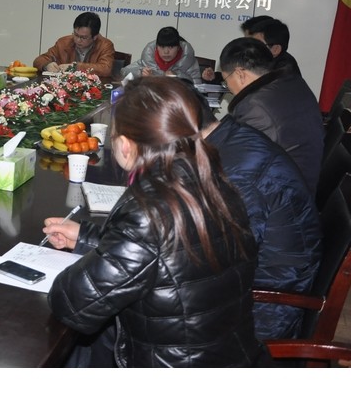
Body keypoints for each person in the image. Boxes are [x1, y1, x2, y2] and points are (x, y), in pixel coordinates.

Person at [43, 77, 264, 367]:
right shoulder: (214, 183)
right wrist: (86, 236)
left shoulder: (150, 210)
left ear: (125, 146)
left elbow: (73, 304)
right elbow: (172, 257)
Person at [198, 96, 322, 340]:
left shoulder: (237, 174)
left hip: (266, 305)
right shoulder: (232, 137)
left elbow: (225, 261)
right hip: (266, 278)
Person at [219, 37, 323, 196]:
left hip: (285, 198)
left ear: (240, 74)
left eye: (226, 81)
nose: (229, 88)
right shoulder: (292, 81)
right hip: (303, 183)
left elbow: (239, 164)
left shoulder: (255, 107)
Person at [32, 12, 115, 79]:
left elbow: (105, 69)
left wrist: (75, 67)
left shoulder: (105, 45)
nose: (78, 40)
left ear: (95, 37)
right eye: (76, 34)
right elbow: (39, 60)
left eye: (83, 37)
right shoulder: (63, 42)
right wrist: (47, 65)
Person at [121, 26, 202, 83]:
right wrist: (140, 73)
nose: (166, 52)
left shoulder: (188, 60)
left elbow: (197, 88)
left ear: (178, 48)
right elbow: (124, 71)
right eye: (162, 47)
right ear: (156, 47)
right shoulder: (149, 58)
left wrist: (177, 76)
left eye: (171, 47)